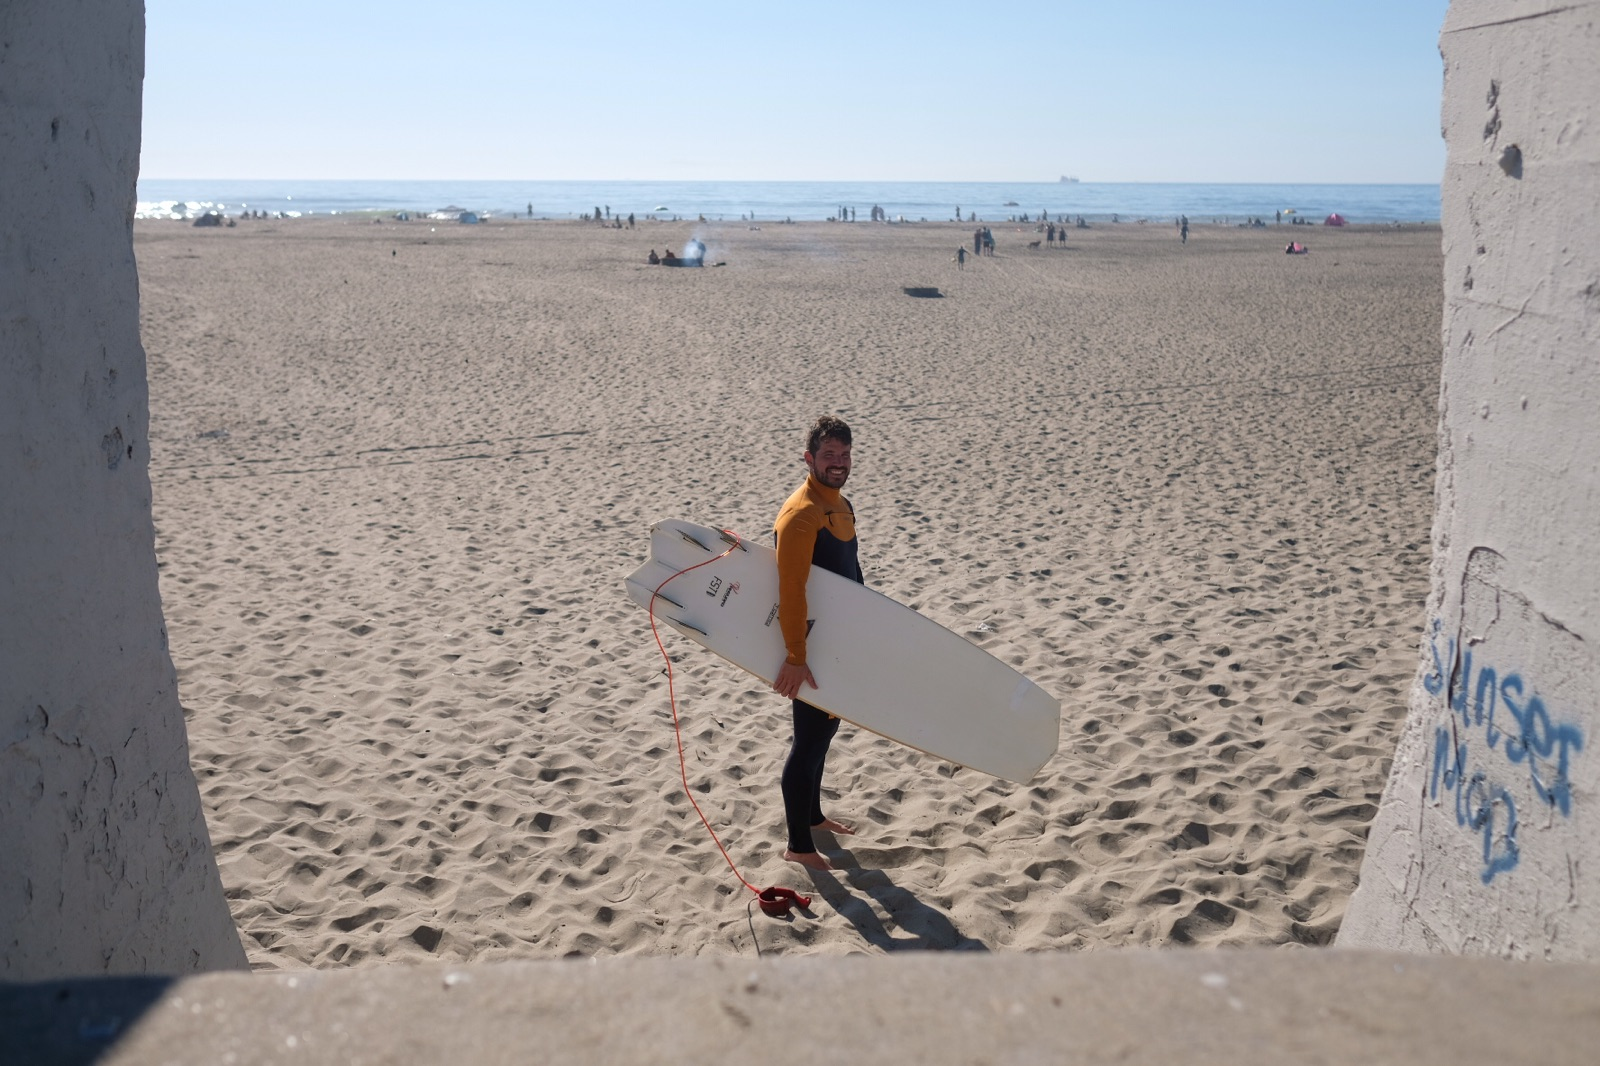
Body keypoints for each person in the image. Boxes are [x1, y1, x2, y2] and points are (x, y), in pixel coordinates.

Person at [772, 415, 862, 870]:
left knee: (824, 733)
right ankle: (798, 845)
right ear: (809, 458)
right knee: (808, 741)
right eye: (829, 455)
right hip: (810, 645)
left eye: (844, 455)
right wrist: (795, 657)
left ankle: (813, 816)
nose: (838, 463)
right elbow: (791, 589)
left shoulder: (840, 504)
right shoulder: (801, 514)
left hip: (838, 639)